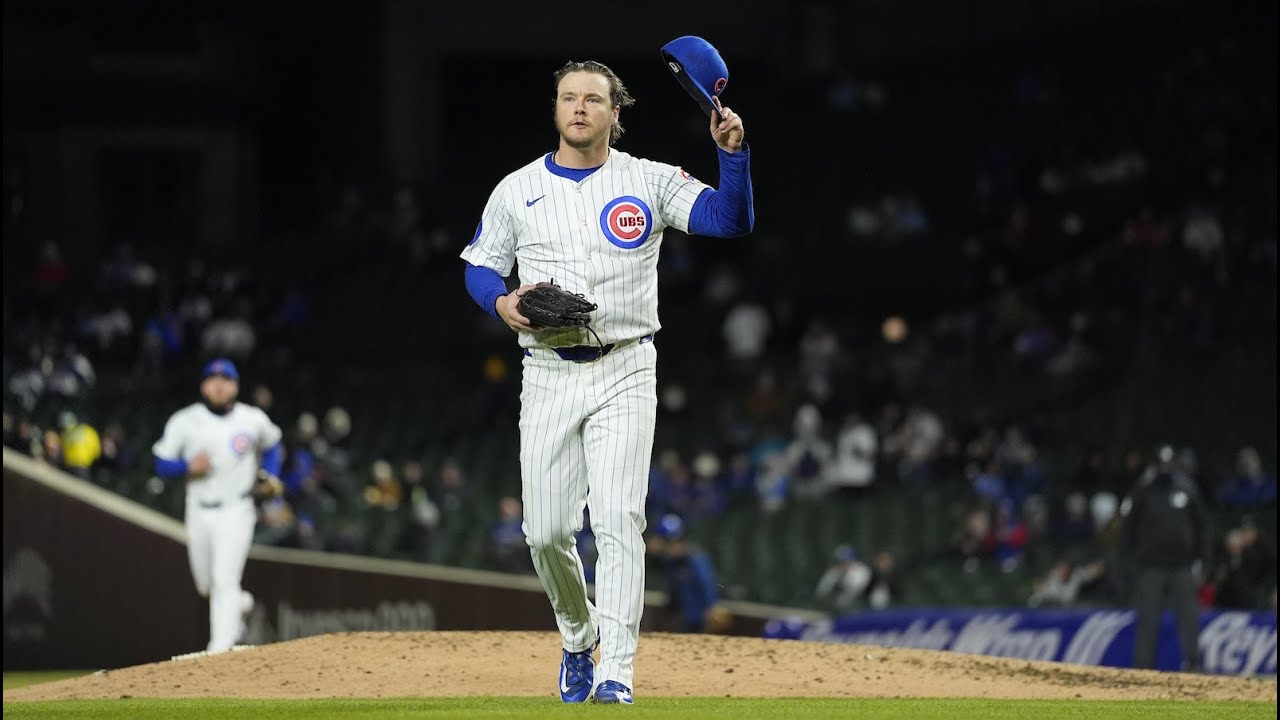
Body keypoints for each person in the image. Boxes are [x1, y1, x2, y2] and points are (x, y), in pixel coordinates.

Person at [458, 42, 753, 705]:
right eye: (569, 97)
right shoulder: (517, 189)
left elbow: (729, 220)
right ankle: (576, 633)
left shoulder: (647, 179)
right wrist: (500, 301)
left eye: (593, 97)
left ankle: (616, 668)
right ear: (556, 110)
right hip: (548, 372)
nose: (580, 107)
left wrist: (733, 155)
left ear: (616, 111)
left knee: (620, 519)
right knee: (546, 532)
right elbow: (479, 263)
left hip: (627, 366)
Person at [151, 359, 283, 654]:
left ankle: (218, 651)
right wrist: (186, 467)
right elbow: (160, 462)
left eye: (227, 379)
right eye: (213, 379)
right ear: (203, 386)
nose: (220, 384)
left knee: (224, 578)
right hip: (198, 508)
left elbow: (273, 443)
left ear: (236, 386)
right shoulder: (185, 421)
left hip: (237, 508)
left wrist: (270, 474)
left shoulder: (252, 419)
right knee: (207, 586)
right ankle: (240, 604)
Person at [1121, 446, 1211, 671]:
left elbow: (1202, 527)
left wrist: (1202, 559)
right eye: (1162, 464)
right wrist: (1132, 563)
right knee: (1148, 619)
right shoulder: (1143, 492)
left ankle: (1193, 664)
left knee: (1188, 618)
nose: (1165, 468)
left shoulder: (1186, 491)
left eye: (1169, 464)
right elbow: (1128, 530)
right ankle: (1143, 667)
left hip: (1181, 566)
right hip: (1151, 567)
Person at [649, 514, 722, 634]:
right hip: (676, 618)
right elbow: (654, 565)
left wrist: (712, 607)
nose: (672, 546)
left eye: (676, 541)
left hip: (697, 619)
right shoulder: (669, 561)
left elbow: (707, 583)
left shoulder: (695, 558)